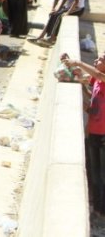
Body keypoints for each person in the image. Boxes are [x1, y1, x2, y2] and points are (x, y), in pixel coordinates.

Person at [61, 52, 105, 215]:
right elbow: (93, 101)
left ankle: (101, 208)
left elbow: (98, 74)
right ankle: (97, 206)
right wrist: (78, 80)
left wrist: (77, 62)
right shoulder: (97, 81)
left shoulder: (102, 77)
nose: (96, 60)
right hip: (93, 132)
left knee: (101, 172)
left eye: (101, 59)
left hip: (102, 135)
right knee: (94, 170)